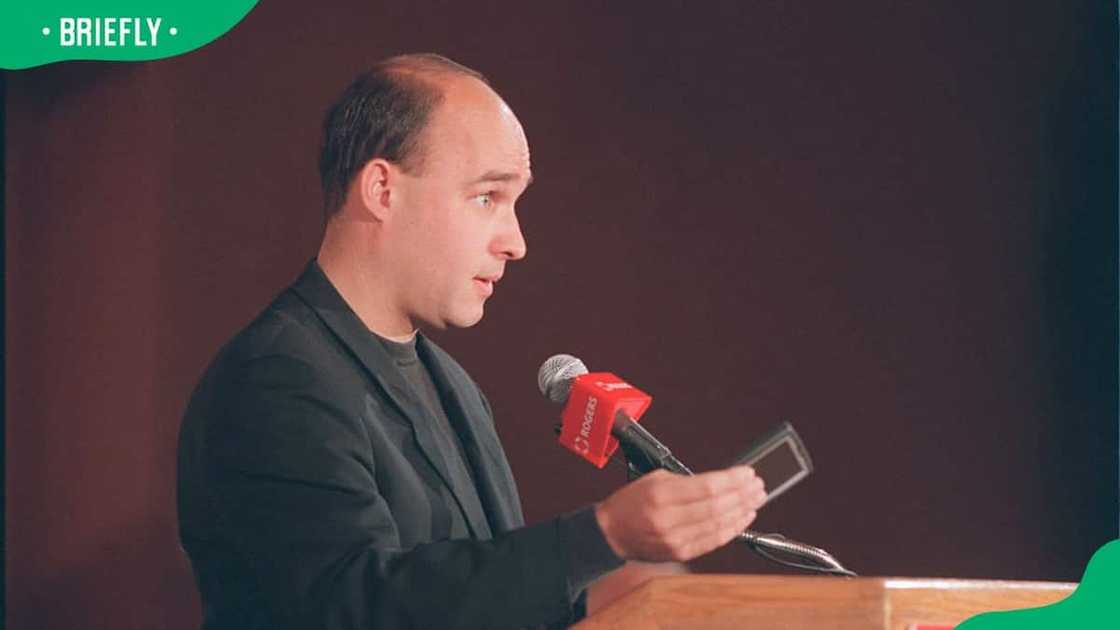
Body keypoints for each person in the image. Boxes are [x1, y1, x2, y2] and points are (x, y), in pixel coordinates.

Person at [177, 53, 766, 630]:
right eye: (487, 197)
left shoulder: (454, 385)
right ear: (382, 190)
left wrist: (608, 599)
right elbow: (348, 606)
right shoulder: (278, 376)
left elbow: (468, 602)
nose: (516, 242)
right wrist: (601, 537)